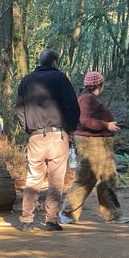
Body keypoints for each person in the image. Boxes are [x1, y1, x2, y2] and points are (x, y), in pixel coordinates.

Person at [16, 48, 80, 232]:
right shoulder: (60, 78)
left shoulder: (26, 80)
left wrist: (28, 128)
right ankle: (51, 220)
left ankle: (26, 219)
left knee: (33, 178)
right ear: (54, 62)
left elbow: (19, 110)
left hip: (35, 136)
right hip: (57, 135)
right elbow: (72, 106)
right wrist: (71, 129)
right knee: (56, 180)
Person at [58, 71, 129, 225]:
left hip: (100, 143)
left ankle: (113, 215)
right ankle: (67, 213)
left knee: (108, 178)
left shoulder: (89, 98)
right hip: (91, 142)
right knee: (86, 178)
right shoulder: (87, 99)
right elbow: (84, 119)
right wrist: (106, 125)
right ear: (99, 84)